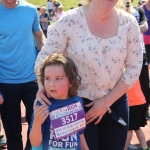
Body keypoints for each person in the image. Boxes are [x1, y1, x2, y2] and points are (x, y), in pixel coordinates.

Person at [34, 0, 143, 149]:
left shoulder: (128, 23)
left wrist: (106, 101)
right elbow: (44, 59)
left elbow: (134, 67)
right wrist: (42, 86)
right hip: (75, 105)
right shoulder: (69, 20)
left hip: (114, 103)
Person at [0, 0, 45, 149]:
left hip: (32, 80)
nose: (10, 1)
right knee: (12, 132)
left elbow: (38, 36)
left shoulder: (30, 10)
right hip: (5, 82)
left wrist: (49, 59)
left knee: (36, 126)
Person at [30, 53, 89, 150]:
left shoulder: (77, 102)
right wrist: (37, 123)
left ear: (70, 82)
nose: (52, 84)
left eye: (58, 78)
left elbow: (80, 133)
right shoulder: (43, 105)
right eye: (47, 78)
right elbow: (35, 143)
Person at [124, 80, 149, 150]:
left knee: (130, 129)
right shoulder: (134, 71)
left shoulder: (124, 73)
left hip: (133, 103)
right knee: (136, 128)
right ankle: (145, 147)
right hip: (140, 101)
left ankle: (124, 148)